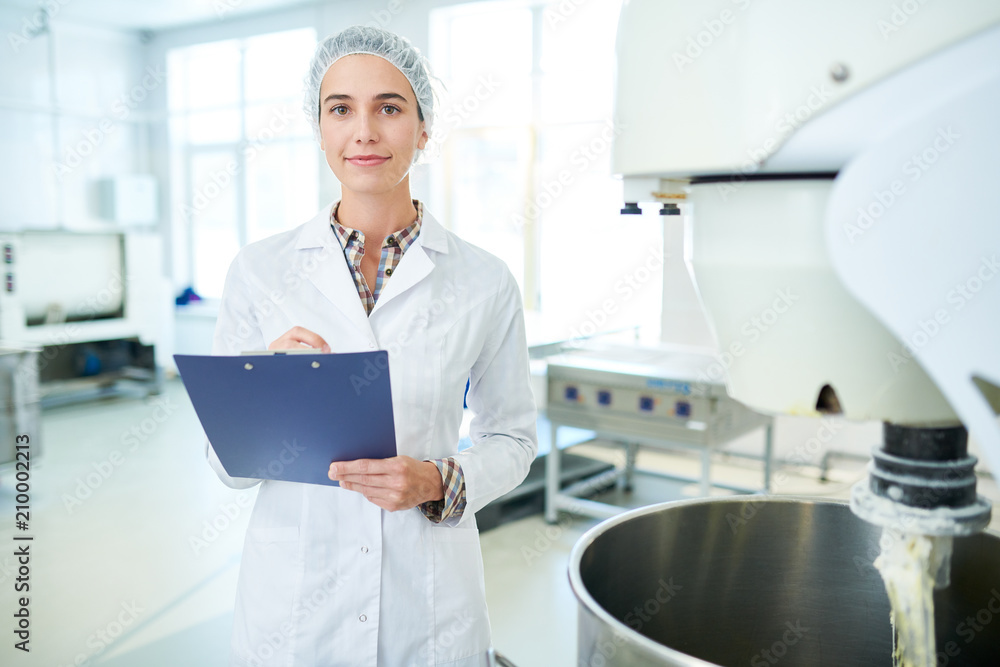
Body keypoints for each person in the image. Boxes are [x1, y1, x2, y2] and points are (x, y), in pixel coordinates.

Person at [205, 25, 538, 667]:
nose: (364, 131)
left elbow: (514, 437)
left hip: (429, 605)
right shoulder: (259, 271)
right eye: (340, 109)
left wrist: (442, 480)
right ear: (320, 126)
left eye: (389, 107)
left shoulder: (483, 280)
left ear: (424, 127)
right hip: (296, 610)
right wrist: (269, 394)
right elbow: (227, 466)